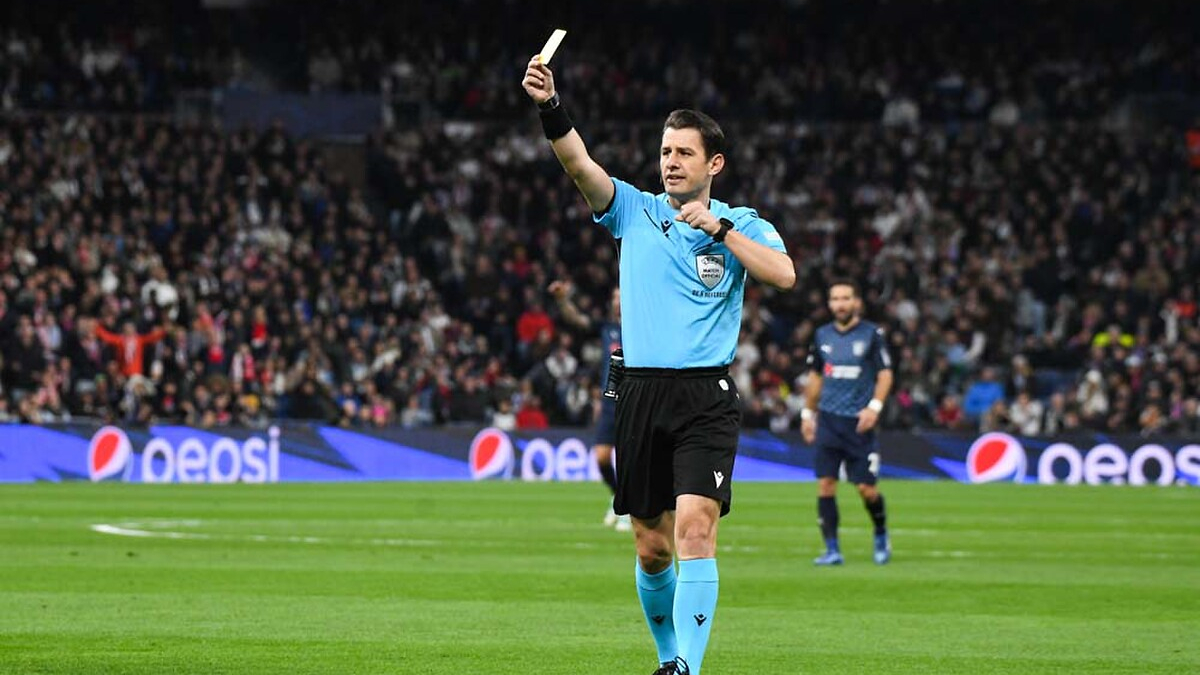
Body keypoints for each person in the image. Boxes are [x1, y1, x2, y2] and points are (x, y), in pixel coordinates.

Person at [523, 55, 795, 675]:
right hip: (639, 393)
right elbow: (578, 164)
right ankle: (669, 657)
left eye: (684, 152)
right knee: (651, 547)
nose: (670, 161)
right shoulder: (633, 209)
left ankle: (687, 669)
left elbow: (784, 275)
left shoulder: (743, 223)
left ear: (713, 164)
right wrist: (549, 106)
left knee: (695, 529)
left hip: (706, 396)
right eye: (666, 151)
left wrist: (721, 231)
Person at [801, 279, 894, 566]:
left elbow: (885, 374)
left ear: (856, 302)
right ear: (830, 304)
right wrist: (807, 414)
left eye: (845, 298)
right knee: (826, 485)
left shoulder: (871, 334)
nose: (840, 304)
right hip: (828, 421)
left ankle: (881, 533)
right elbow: (815, 377)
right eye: (835, 299)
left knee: (867, 489)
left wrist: (874, 408)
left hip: (858, 424)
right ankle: (832, 550)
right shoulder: (821, 335)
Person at [549, 279, 631, 532]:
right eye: (614, 297)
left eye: (621, 296)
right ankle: (617, 497)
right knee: (602, 457)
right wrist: (562, 300)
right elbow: (577, 320)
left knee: (629, 458)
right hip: (609, 401)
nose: (617, 301)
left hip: (633, 399)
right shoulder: (607, 328)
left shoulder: (641, 326)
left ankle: (628, 508)